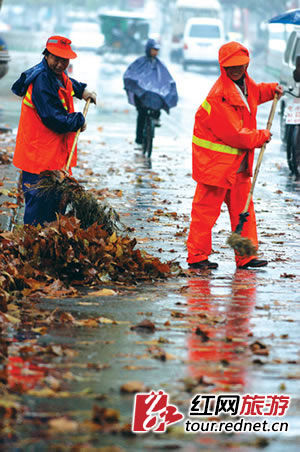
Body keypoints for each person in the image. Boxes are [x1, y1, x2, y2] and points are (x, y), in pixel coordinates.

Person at [187, 41, 283, 270]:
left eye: (241, 65)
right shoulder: (219, 96)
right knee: (205, 214)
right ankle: (197, 257)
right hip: (216, 167)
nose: (237, 69)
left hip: (237, 166)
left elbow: (254, 94)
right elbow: (235, 135)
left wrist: (271, 90)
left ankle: (246, 256)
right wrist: (261, 136)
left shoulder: (244, 84)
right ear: (223, 67)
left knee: (244, 212)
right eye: (232, 66)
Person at [11, 35, 96, 226]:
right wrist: (78, 120)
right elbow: (53, 118)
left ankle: (48, 242)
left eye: (64, 60)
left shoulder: (55, 75)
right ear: (46, 56)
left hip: (51, 155)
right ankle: (33, 243)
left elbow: (67, 84)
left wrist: (82, 90)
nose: (60, 64)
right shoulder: (41, 80)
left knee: (55, 203)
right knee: (39, 204)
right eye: (56, 58)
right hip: (37, 157)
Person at [123, 38, 178, 147]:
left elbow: (166, 79)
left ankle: (155, 119)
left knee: (158, 103)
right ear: (148, 49)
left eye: (157, 50)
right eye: (153, 50)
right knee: (142, 115)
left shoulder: (160, 65)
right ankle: (139, 140)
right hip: (142, 95)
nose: (155, 52)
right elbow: (130, 74)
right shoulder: (139, 62)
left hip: (153, 96)